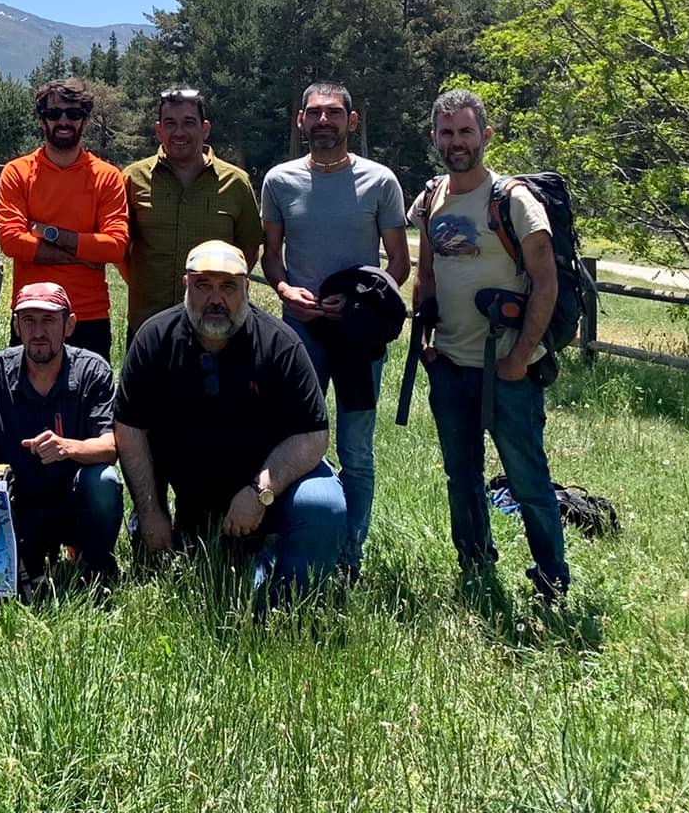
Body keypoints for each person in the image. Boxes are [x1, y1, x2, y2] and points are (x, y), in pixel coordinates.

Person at [113, 240, 346, 603]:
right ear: (185, 285)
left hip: (267, 489)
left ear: (247, 289)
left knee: (322, 504)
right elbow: (129, 428)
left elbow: (313, 435)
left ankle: (289, 607)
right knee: (165, 572)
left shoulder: (280, 344)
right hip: (187, 491)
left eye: (228, 287)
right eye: (203, 285)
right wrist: (149, 509)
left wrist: (260, 492)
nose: (215, 299)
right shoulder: (154, 338)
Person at [411, 88, 570, 602]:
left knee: (527, 479)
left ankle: (552, 579)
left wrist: (519, 358)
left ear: (486, 135)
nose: (456, 142)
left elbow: (545, 282)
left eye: (466, 131)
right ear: (435, 138)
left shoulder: (513, 200)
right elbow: (425, 275)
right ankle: (475, 565)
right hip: (451, 365)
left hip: (508, 369)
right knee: (461, 477)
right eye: (447, 132)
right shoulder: (430, 199)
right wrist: (426, 343)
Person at [259, 81, 411, 578]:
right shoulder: (279, 181)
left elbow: (399, 262)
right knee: (290, 440)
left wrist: (361, 300)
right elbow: (271, 256)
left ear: (352, 120)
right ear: (300, 120)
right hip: (298, 335)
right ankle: (286, 541)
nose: (324, 121)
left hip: (359, 336)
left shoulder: (380, 181)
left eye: (334, 113)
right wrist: (285, 291)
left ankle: (349, 556)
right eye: (315, 113)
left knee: (356, 452)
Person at [0, 282, 123, 587]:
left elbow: (110, 447)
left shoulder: (92, 371)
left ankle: (96, 569)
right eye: (29, 321)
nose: (38, 332)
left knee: (103, 480)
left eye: (49, 320)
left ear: (69, 325)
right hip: (15, 504)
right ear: (16, 326)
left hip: (73, 499)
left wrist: (68, 448)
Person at [0, 78, 130, 362]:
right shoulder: (17, 172)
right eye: (54, 114)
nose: (64, 121)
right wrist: (83, 255)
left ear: (86, 120)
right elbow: (11, 241)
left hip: (89, 316)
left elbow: (115, 246)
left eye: (74, 114)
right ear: (41, 120)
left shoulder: (107, 177)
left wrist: (48, 233)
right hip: (32, 315)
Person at [123, 86, 263, 335]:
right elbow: (122, 249)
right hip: (147, 323)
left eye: (188, 123)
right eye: (170, 123)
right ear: (159, 130)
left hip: (216, 325)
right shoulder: (132, 179)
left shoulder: (236, 182)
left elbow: (248, 251)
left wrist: (221, 288)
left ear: (205, 128)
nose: (179, 132)